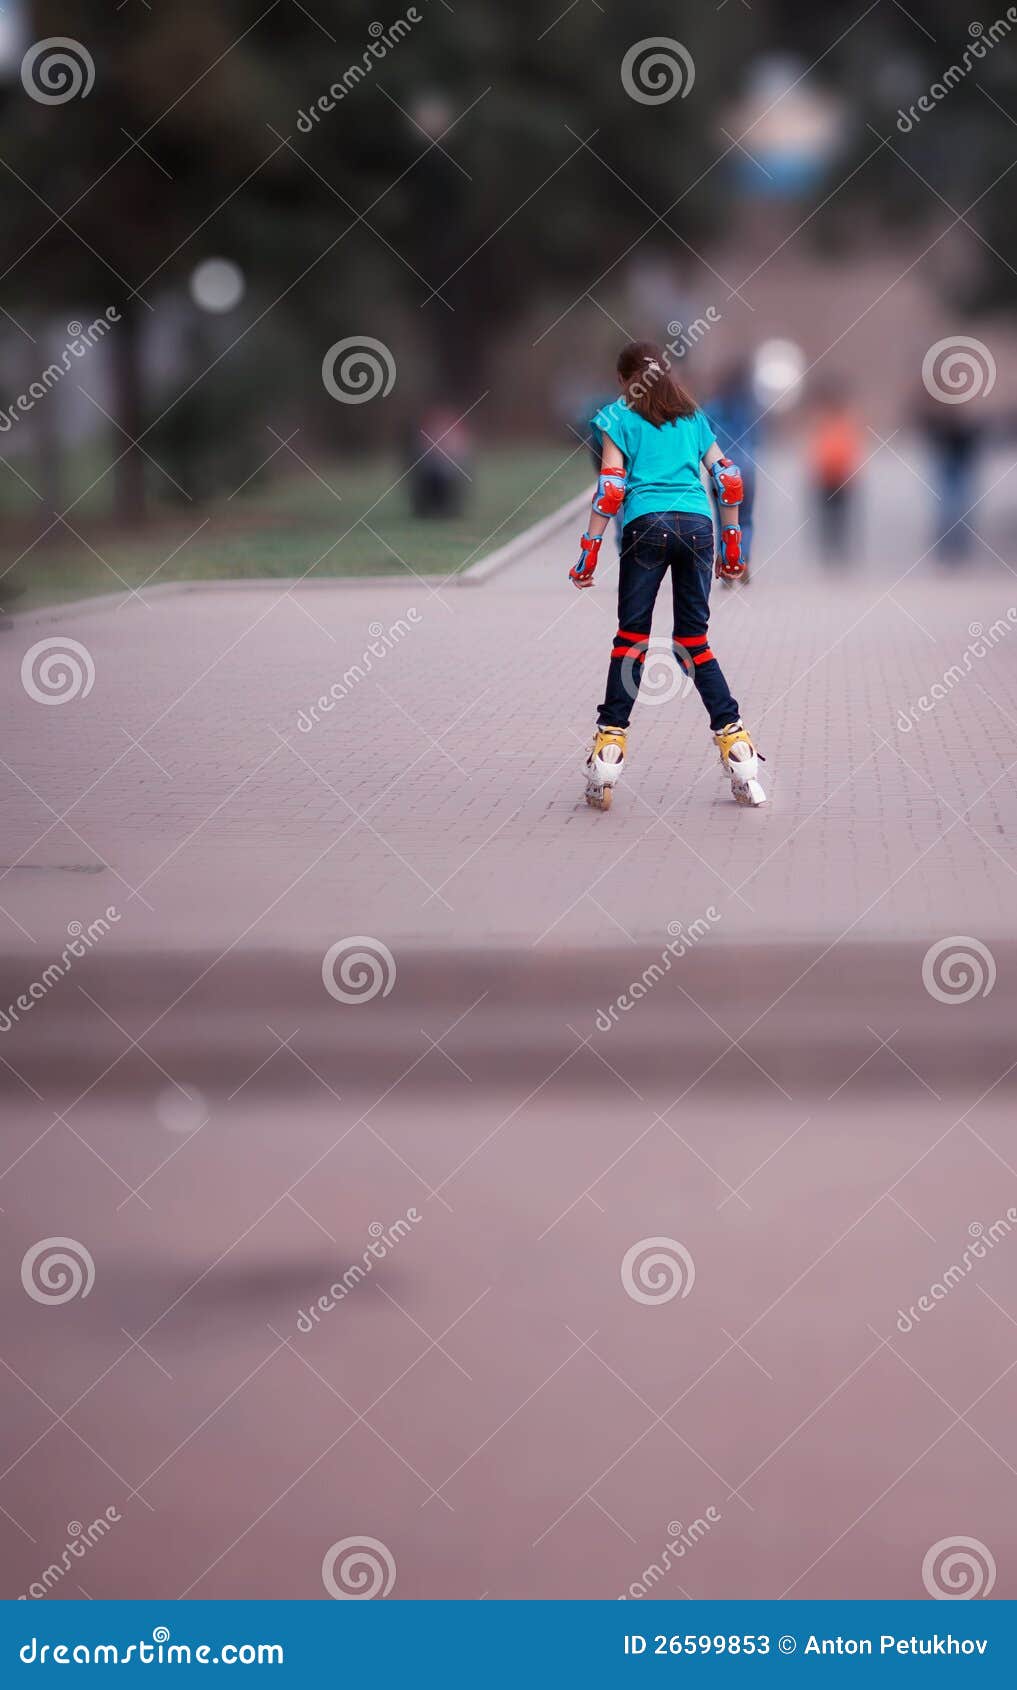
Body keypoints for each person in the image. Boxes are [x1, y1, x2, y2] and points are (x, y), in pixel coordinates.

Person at [569, 339, 766, 810]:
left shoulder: (616, 417)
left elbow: (612, 487)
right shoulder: (692, 415)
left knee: (631, 640)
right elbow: (728, 476)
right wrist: (733, 544)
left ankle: (608, 753)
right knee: (693, 643)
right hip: (698, 528)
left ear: (624, 379)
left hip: (646, 526)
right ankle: (739, 752)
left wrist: (589, 553)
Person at [705, 356, 761, 585]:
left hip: (720, 468)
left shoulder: (712, 408)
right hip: (747, 468)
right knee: (745, 519)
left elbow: (704, 439)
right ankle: (743, 557)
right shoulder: (751, 407)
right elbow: (758, 437)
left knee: (722, 521)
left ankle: (728, 566)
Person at [807, 385, 862, 561]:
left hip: (841, 477)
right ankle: (828, 549)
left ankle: (839, 549)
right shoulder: (823, 423)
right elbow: (817, 449)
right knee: (827, 516)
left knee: (840, 516)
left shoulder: (844, 422)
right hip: (825, 477)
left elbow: (851, 448)